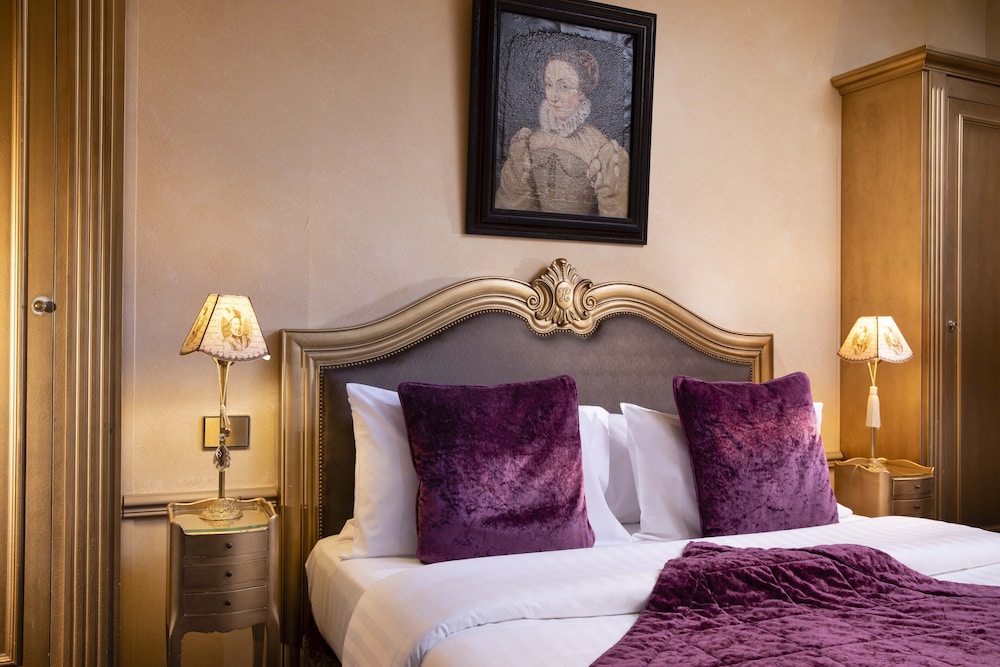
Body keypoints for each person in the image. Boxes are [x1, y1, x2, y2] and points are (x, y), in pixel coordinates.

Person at [495, 49, 629, 218]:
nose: (553, 96)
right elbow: (510, 209)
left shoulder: (601, 148)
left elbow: (615, 216)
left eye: (564, 86)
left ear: (582, 92)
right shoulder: (530, 142)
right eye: (549, 84)